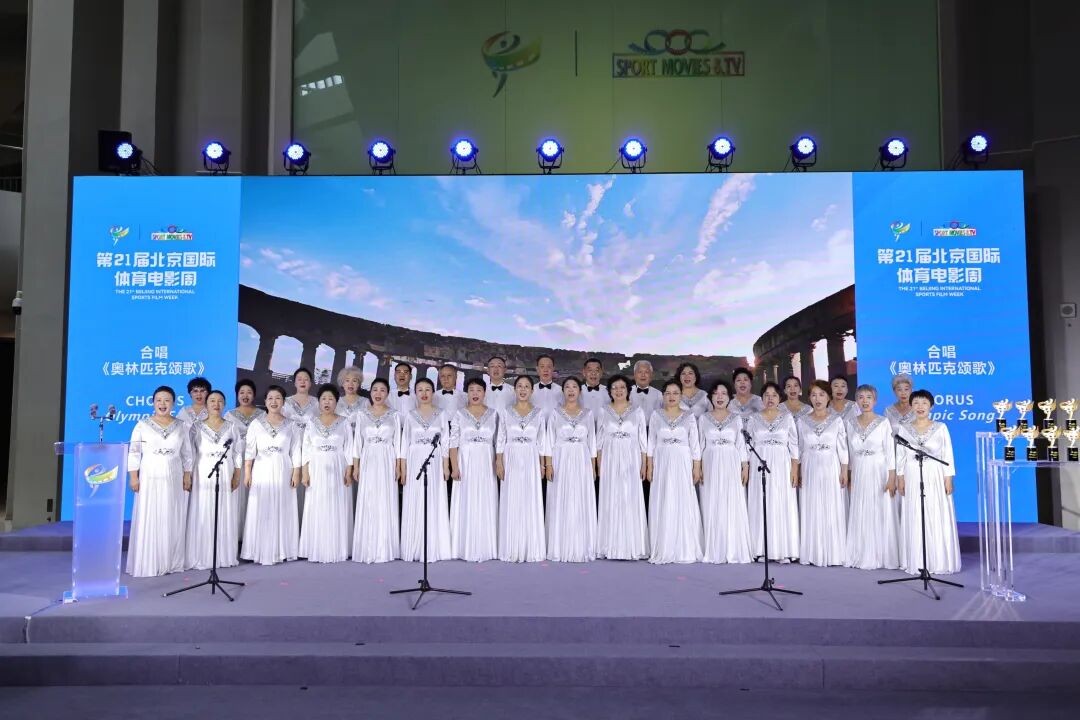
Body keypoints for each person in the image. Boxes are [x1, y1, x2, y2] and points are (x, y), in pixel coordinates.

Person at [126, 386, 193, 577]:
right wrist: (133, 476)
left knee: (171, 515)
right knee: (151, 515)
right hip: (150, 476)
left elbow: (187, 454)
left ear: (173, 403)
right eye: (159, 400)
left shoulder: (182, 426)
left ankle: (170, 561)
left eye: (167, 400)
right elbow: (134, 452)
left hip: (174, 475)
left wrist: (187, 475)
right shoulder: (142, 425)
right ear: (153, 402)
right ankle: (149, 561)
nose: (162, 404)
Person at [896, 389, 961, 575]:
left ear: (931, 406)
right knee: (915, 513)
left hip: (934, 475)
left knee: (934, 513)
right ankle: (916, 560)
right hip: (912, 475)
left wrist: (948, 478)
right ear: (911, 406)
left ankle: (938, 560)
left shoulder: (940, 427)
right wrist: (900, 477)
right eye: (916, 403)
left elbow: (947, 454)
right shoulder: (904, 428)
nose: (920, 407)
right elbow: (900, 455)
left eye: (924, 403)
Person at [242, 385, 301, 565]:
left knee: (283, 507)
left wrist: (296, 472)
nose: (274, 402)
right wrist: (247, 473)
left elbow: (296, 451)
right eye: (270, 398)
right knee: (261, 507)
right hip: (262, 470)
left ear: (283, 402)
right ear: (265, 401)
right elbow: (250, 451)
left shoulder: (291, 425)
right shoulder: (256, 424)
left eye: (278, 398)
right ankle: (258, 550)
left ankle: (282, 549)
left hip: (284, 469)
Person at [646, 380, 704, 564]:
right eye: (668, 393)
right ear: (663, 396)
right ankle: (663, 545)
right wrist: (649, 466)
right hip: (662, 462)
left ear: (681, 396)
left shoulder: (689, 416)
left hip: (682, 462)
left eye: (675, 393)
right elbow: (651, 443)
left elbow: (695, 444)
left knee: (682, 499)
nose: (671, 396)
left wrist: (696, 466)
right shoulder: (656, 415)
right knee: (663, 498)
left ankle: (684, 546)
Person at [186, 390, 243, 570]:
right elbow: (190, 453)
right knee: (203, 509)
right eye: (212, 401)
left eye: (220, 401)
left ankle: (223, 556)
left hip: (226, 472)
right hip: (203, 472)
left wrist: (237, 474)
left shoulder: (232, 427)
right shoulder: (196, 427)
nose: (216, 404)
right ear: (206, 404)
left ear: (224, 404)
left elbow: (237, 452)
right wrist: (188, 474)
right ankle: (201, 555)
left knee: (224, 510)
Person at [845, 384, 900, 570]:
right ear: (856, 401)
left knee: (879, 509)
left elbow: (890, 452)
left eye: (868, 397)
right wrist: (849, 475)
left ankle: (881, 554)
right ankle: (860, 553)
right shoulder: (850, 423)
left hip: (879, 470)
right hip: (859, 470)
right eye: (861, 397)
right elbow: (849, 452)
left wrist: (891, 477)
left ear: (875, 401)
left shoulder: (883, 422)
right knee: (861, 510)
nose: (865, 401)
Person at [544, 377, 598, 562]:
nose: (571, 390)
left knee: (580, 498)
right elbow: (549, 440)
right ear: (563, 391)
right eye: (567, 387)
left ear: (579, 391)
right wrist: (549, 465)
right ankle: (560, 545)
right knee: (562, 497)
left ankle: (582, 545)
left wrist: (593, 467)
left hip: (582, 459)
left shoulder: (588, 414)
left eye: (574, 387)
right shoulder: (555, 413)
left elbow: (592, 441)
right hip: (561, 459)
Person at [744, 382, 800, 562]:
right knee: (761, 503)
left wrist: (794, 469)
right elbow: (747, 445)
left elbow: (794, 445)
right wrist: (746, 467)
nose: (770, 398)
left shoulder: (787, 418)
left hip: (782, 465)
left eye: (774, 395)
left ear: (779, 398)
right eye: (766, 395)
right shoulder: (753, 419)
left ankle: (783, 550)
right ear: (761, 398)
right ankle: (761, 549)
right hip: (759, 463)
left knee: (781, 502)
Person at [399, 378, 453, 562]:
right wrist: (403, 469)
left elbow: (445, 442)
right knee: (415, 499)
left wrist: (446, 466)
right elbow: (404, 443)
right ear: (415, 393)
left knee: (433, 498)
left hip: (435, 460)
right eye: (420, 390)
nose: (424, 393)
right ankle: (414, 546)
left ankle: (434, 546)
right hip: (415, 460)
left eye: (427, 389)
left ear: (433, 392)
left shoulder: (441, 414)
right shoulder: (410, 415)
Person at [796, 380, 849, 567]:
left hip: (830, 466)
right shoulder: (802, 421)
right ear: (809, 398)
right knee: (811, 506)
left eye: (821, 394)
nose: (817, 399)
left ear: (828, 397)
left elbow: (842, 448)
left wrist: (844, 471)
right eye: (813, 395)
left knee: (831, 506)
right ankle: (813, 552)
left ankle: (833, 553)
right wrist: (798, 471)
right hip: (809, 467)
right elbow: (799, 449)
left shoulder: (836, 421)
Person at [698, 380, 752, 564]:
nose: (719, 397)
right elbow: (700, 444)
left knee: (731, 502)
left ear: (729, 397)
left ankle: (732, 547)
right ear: (710, 397)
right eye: (716, 393)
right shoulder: (704, 418)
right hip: (710, 462)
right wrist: (698, 467)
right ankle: (714, 548)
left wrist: (745, 466)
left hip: (731, 462)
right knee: (711, 502)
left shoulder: (736, 419)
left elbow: (741, 444)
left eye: (723, 393)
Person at [299, 384, 354, 563]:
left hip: (338, 467)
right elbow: (306, 449)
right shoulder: (311, 422)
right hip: (316, 468)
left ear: (336, 402)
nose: (327, 402)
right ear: (319, 402)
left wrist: (349, 471)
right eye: (324, 399)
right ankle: (316, 547)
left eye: (331, 399)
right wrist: (305, 473)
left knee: (336, 505)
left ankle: (337, 548)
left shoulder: (344, 422)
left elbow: (349, 448)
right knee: (318, 505)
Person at [449, 378, 503, 561]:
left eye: (478, 390)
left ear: (484, 393)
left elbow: (499, 442)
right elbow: (453, 443)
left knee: (486, 500)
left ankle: (486, 546)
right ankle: (463, 546)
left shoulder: (494, 415)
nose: (475, 393)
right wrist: (454, 467)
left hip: (487, 462)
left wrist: (498, 463)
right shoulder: (459, 414)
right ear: (467, 393)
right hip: (465, 462)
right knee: (467, 500)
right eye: (471, 390)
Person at [596, 374, 649, 560]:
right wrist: (599, 465)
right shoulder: (603, 411)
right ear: (610, 391)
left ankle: (632, 545)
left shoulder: (638, 411)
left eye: (622, 387)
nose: (618, 391)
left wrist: (644, 464)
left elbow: (643, 440)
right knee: (611, 498)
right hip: (610, 459)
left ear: (628, 390)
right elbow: (599, 442)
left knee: (630, 497)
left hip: (631, 459)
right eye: (615, 388)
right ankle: (610, 546)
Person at [351, 378, 401, 563]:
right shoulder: (361, 414)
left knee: (385, 499)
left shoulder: (395, 415)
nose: (378, 393)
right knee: (369, 499)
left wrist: (398, 466)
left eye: (382, 390)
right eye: (375, 390)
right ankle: (367, 548)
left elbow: (398, 443)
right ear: (370, 393)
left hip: (387, 459)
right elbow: (357, 443)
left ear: (387, 394)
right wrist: (356, 466)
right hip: (368, 459)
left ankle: (385, 548)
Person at [498, 375, 548, 562]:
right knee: (512, 498)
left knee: (529, 499)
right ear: (515, 390)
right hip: (511, 457)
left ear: (532, 391)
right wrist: (499, 461)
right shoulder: (506, 412)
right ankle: (512, 547)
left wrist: (543, 464)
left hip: (531, 458)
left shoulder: (539, 413)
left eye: (527, 386)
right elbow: (501, 438)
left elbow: (542, 441)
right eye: (519, 386)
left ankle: (530, 546)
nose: (523, 389)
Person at [227, 378, 265, 539]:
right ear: (237, 395)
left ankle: (253, 535)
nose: (245, 395)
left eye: (249, 392)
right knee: (238, 495)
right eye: (242, 392)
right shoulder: (229, 414)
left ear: (254, 395)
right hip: (237, 459)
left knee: (255, 495)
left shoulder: (263, 414)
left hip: (258, 460)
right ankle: (236, 534)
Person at [336, 365, 370, 431]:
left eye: (354, 381)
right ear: (342, 384)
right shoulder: (336, 402)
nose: (350, 384)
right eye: (347, 380)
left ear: (359, 384)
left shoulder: (366, 402)